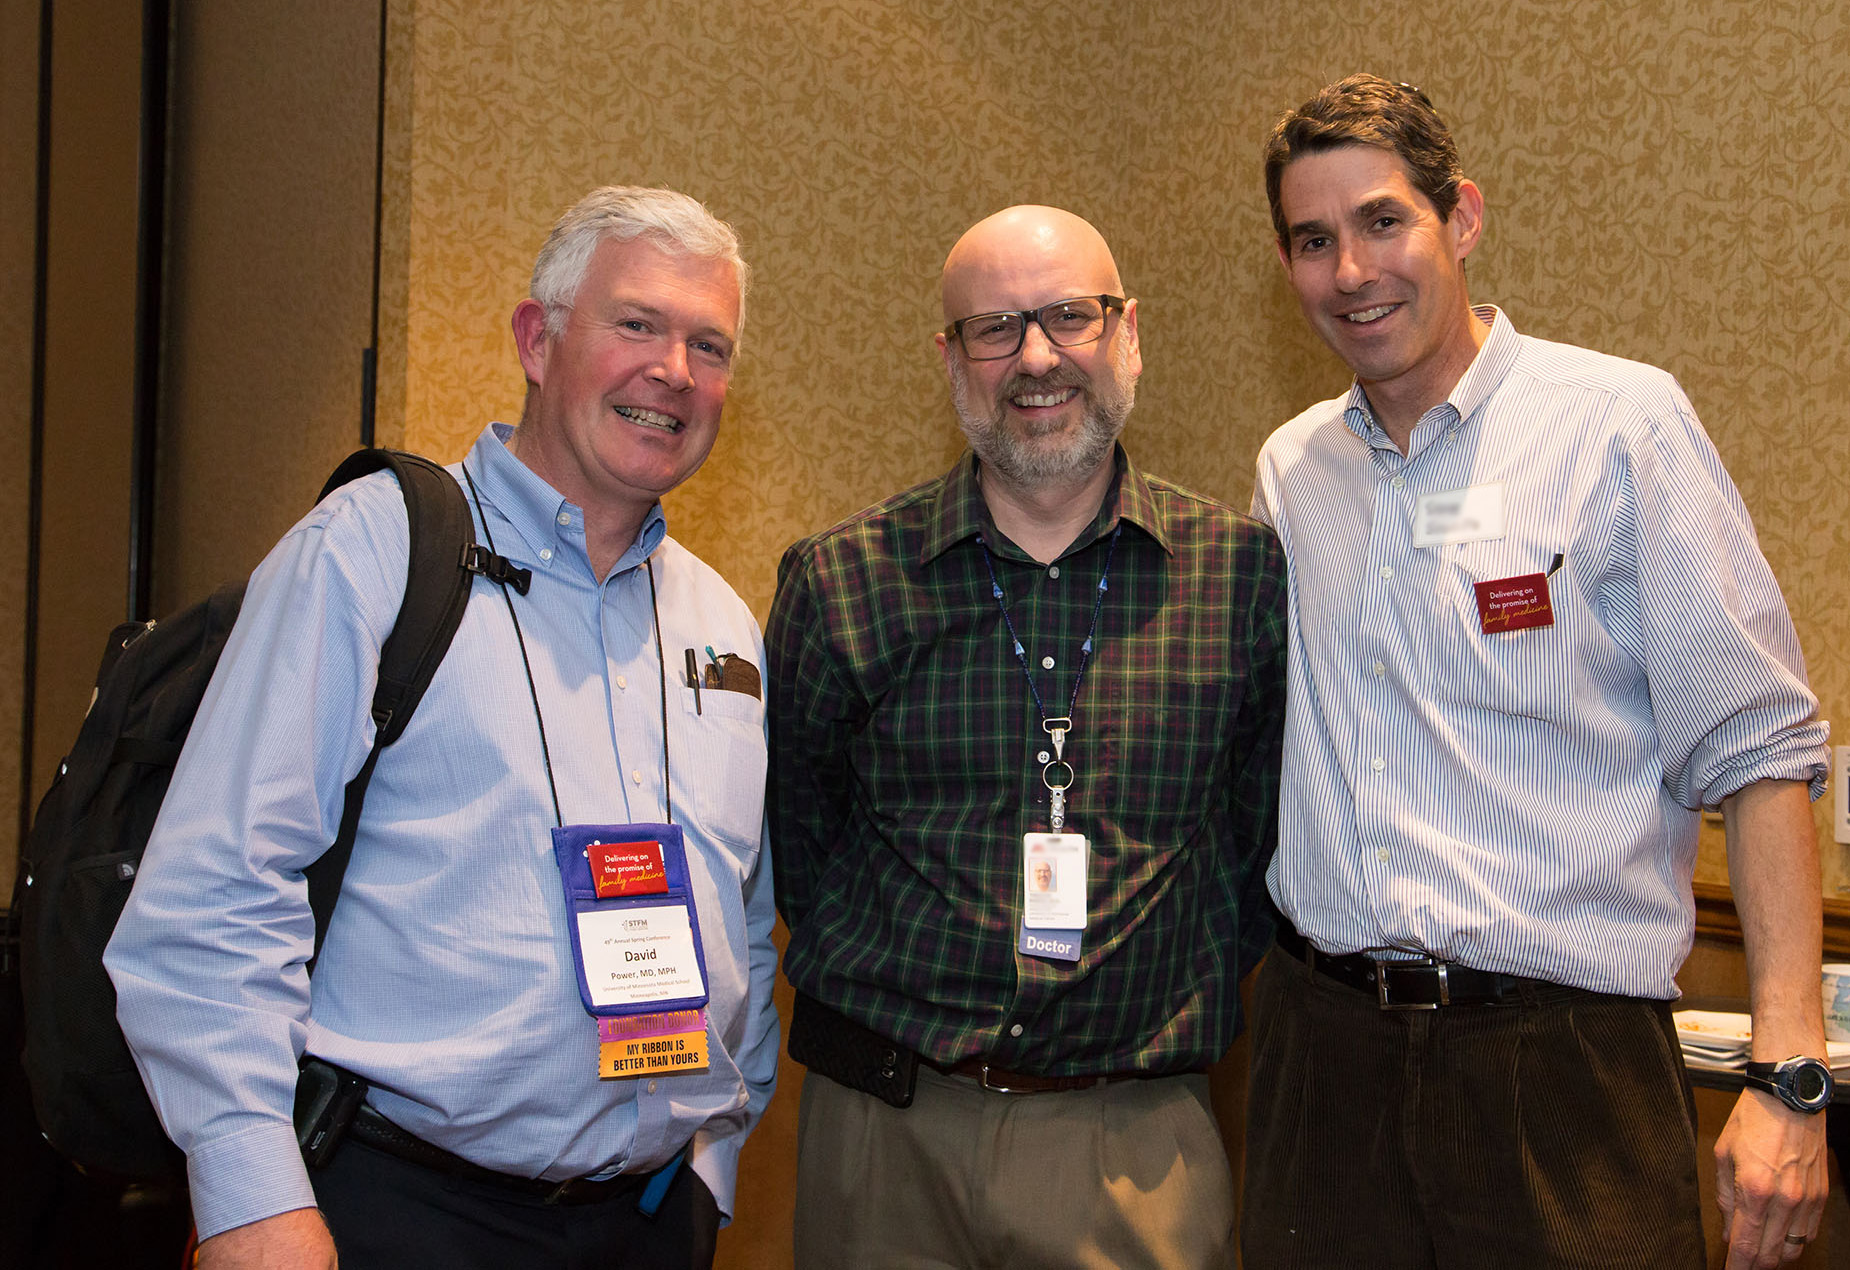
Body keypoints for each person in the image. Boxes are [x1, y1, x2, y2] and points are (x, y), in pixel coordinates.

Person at [104, 186, 779, 1269]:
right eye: (637, 325)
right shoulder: (371, 552)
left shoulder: (722, 622)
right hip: (395, 1211)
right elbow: (213, 890)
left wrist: (713, 1164)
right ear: (535, 337)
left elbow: (739, 913)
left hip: (647, 1218)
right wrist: (249, 1198)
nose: (675, 372)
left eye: (710, 344)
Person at [1245, 75, 1832, 1270]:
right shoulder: (1289, 469)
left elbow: (1762, 751)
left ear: (1459, 217)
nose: (1350, 270)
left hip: (1557, 1072)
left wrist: (1788, 1072)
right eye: (1312, 241)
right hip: (1324, 1060)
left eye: (1380, 221)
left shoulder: (1618, 425)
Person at [767, 204, 1287, 1269]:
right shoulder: (842, 580)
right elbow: (800, 845)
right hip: (881, 1136)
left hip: (1132, 1142)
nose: (1036, 358)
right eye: (994, 328)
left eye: (1068, 317)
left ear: (1126, 332)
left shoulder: (1240, 576)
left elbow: (1255, 846)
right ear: (950, 358)